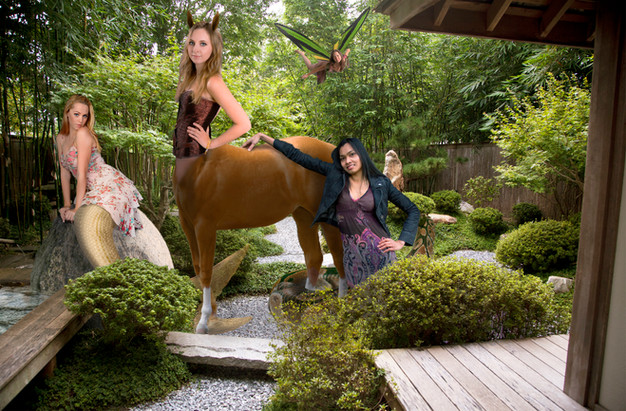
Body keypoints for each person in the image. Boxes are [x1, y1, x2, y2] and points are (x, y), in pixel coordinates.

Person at [243, 133, 420, 292]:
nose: (348, 161)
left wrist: (401, 241)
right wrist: (264, 137)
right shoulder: (335, 176)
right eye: (343, 158)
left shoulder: (381, 183)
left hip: (380, 253)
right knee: (354, 307)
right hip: (351, 258)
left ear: (361, 155)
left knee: (385, 303)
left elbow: (412, 209)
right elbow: (299, 156)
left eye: (352, 154)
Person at [173, 12, 251, 182]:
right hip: (181, 154)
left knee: (191, 198)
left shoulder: (212, 81)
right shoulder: (191, 78)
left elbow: (244, 123)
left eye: (203, 44)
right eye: (192, 43)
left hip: (195, 156)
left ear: (213, 47)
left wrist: (211, 143)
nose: (195, 49)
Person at [56, 94, 142, 236]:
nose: (81, 120)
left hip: (105, 183)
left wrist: (76, 209)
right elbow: (64, 172)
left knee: (92, 219)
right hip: (88, 188)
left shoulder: (83, 133)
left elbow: (82, 173)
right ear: (67, 113)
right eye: (76, 114)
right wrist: (66, 205)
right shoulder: (60, 138)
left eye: (85, 116)